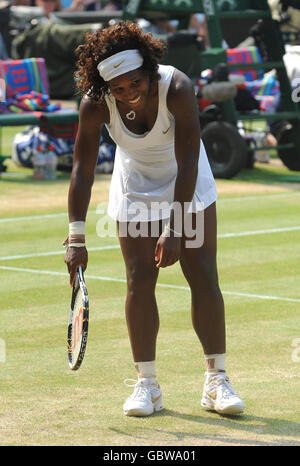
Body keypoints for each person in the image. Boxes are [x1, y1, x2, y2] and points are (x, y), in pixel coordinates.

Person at [64, 20, 245, 417]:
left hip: (188, 178)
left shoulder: (176, 87)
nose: (129, 95)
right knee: (139, 279)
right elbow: (82, 168)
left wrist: (175, 228)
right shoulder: (95, 102)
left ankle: (216, 381)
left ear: (148, 70)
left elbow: (188, 160)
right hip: (135, 185)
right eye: (119, 89)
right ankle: (147, 385)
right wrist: (76, 235)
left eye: (135, 84)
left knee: (202, 273)